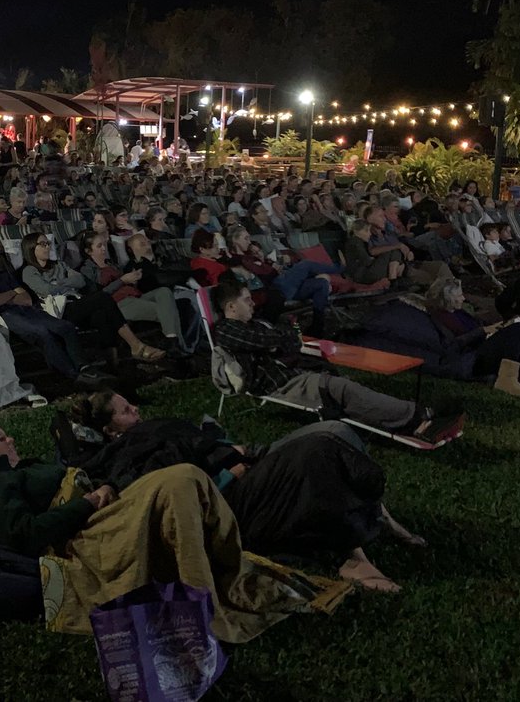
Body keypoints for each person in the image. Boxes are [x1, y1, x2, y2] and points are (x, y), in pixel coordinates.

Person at [0, 421, 345, 642]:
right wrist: (86, 503)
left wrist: (102, 488)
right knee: (180, 480)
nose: (11, 438)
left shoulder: (18, 469)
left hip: (103, 508)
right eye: (0, 438)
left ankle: (221, 566)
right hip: (90, 531)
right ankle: (202, 605)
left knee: (186, 476)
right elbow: (26, 533)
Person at [68, 392, 425, 592]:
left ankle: (377, 513)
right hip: (231, 496)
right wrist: (228, 473)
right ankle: (353, 556)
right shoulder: (127, 452)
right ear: (111, 431)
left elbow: (202, 444)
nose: (136, 409)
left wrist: (232, 449)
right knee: (317, 453)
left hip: (249, 462)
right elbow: (175, 489)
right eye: (126, 411)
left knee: (337, 430)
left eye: (131, 403)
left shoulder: (155, 429)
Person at [212, 282, 463, 445]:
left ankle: (404, 417)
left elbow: (288, 339)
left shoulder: (253, 325)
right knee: (341, 389)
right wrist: (282, 338)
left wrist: (283, 338)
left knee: (342, 388)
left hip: (293, 373)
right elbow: (273, 339)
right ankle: (417, 417)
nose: (253, 303)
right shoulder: (227, 330)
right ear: (231, 307)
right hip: (281, 384)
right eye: (247, 300)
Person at [0, 238, 95, 381]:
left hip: (28, 310)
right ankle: (73, 376)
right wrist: (12, 293)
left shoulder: (3, 275)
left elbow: (26, 299)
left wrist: (2, 298)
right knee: (42, 333)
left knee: (66, 327)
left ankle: (84, 367)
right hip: (6, 314)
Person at [19, 232, 165, 362]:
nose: (47, 247)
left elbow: (80, 280)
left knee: (101, 315)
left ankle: (112, 362)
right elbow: (46, 290)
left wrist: (59, 283)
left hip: (77, 302)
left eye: (48, 243)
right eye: (42, 244)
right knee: (103, 298)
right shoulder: (29, 271)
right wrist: (67, 283)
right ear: (31, 248)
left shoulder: (59, 265)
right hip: (60, 309)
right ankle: (136, 345)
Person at [79, 232, 187, 354]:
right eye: (99, 246)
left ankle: (172, 340)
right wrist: (122, 280)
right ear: (88, 251)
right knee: (167, 310)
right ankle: (178, 347)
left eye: (104, 244)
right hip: (119, 303)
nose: (104, 248)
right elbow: (100, 295)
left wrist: (133, 278)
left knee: (164, 291)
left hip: (136, 295)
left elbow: (125, 283)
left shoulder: (111, 263)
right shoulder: (87, 269)